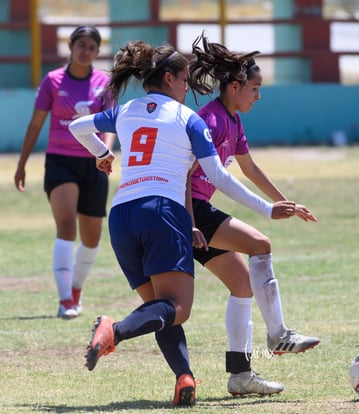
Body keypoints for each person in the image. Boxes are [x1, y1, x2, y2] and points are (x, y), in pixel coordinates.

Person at [68, 40, 299, 407]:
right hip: (162, 211)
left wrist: (103, 153)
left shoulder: (126, 110)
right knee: (178, 308)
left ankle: (184, 377)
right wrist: (267, 209)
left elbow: (78, 126)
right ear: (170, 78)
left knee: (161, 310)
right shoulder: (186, 118)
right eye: (184, 80)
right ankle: (115, 329)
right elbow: (219, 178)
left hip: (123, 216)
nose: (187, 87)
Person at [188, 32, 320, 396]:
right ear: (234, 85)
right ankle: (279, 336)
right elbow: (186, 174)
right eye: (255, 87)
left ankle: (240, 375)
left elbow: (249, 167)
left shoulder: (231, 120)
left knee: (243, 285)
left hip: (196, 213)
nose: (259, 95)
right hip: (190, 211)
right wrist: (190, 220)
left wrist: (286, 203)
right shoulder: (210, 121)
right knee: (260, 244)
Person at [14, 26, 115, 319]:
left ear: (97, 52)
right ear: (70, 46)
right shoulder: (53, 81)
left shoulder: (104, 83)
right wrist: (21, 164)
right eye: (81, 45)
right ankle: (64, 300)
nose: (85, 51)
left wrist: (104, 153)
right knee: (67, 227)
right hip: (60, 161)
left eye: (92, 47)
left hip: (94, 163)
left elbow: (109, 125)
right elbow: (35, 125)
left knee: (92, 238)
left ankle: (76, 290)